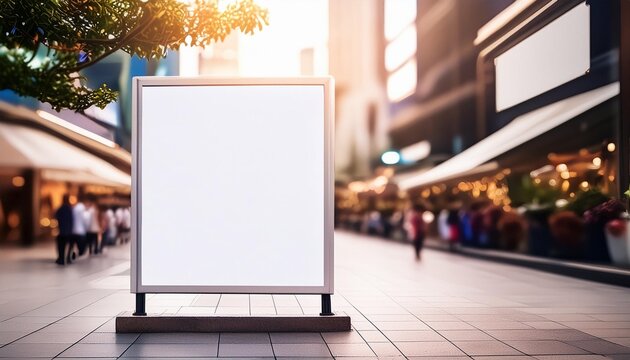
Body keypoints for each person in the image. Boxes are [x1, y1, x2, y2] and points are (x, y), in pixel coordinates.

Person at [54, 194, 73, 265]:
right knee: (69, 245)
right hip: (69, 231)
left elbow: (56, 217)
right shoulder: (70, 209)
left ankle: (61, 258)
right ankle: (68, 258)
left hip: (61, 231)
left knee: (61, 246)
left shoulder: (60, 208)